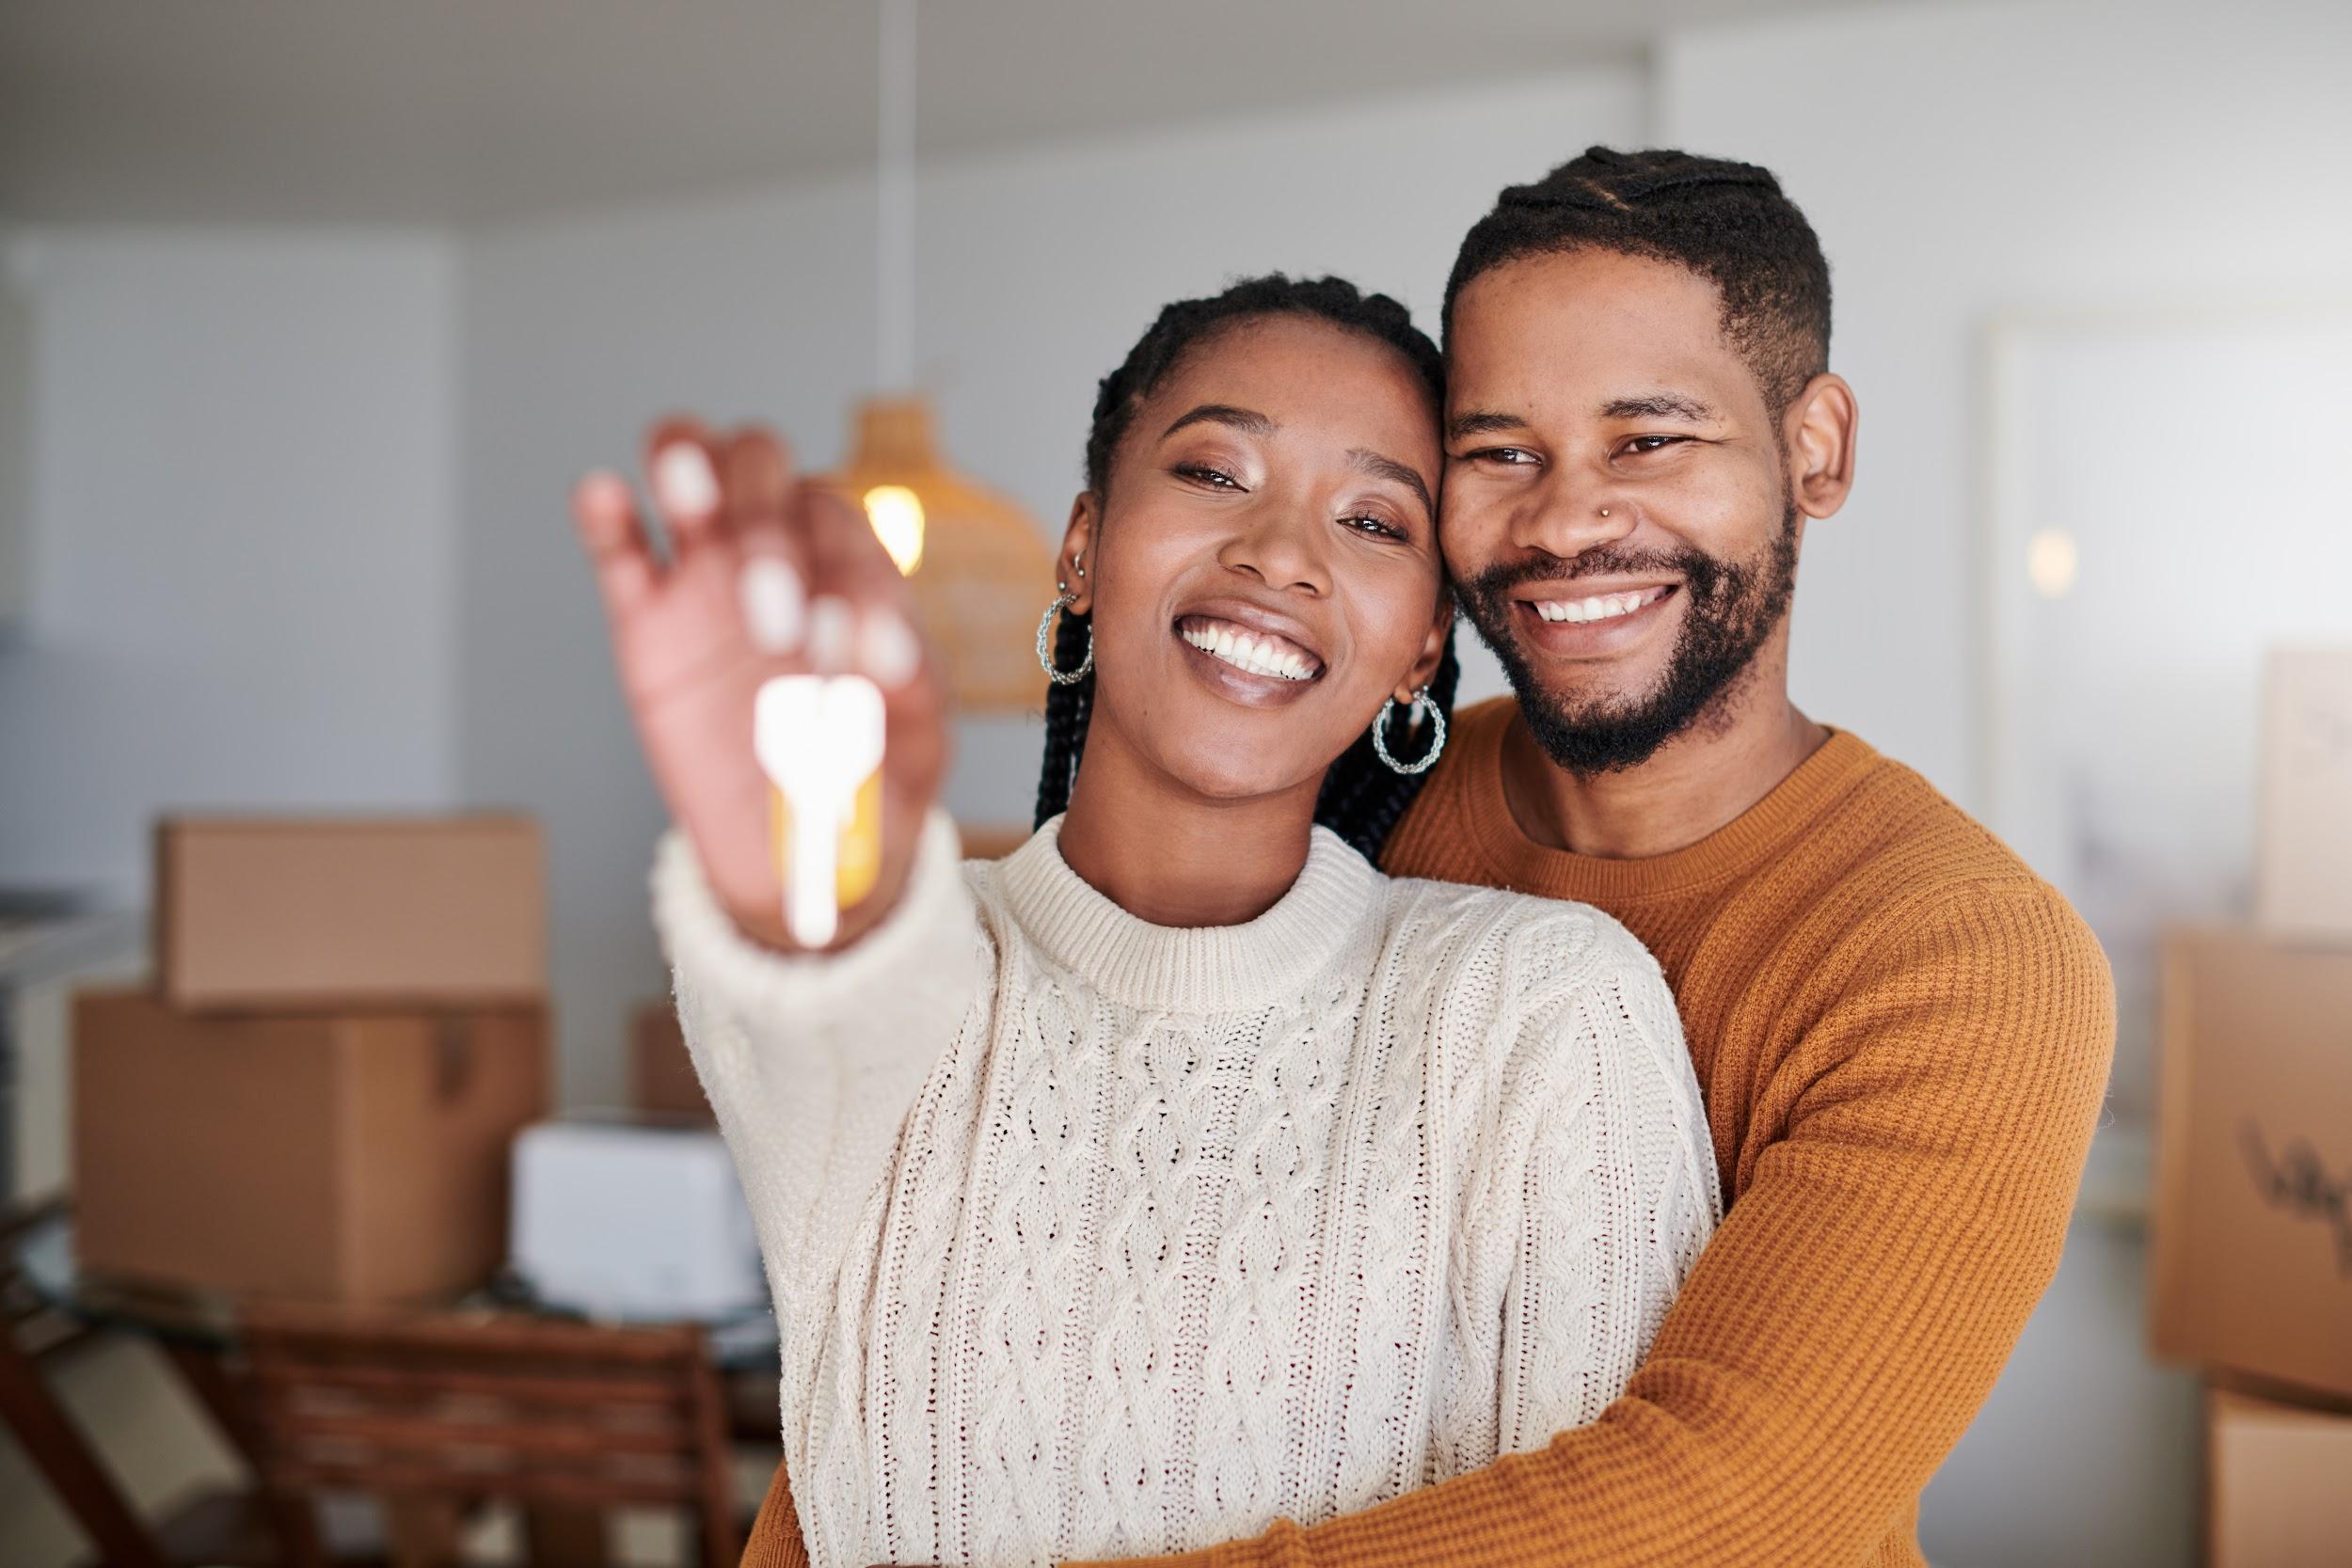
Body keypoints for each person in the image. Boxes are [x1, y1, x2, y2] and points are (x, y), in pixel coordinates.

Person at [739, 147, 2120, 1568]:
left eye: (1648, 441)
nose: (1568, 521)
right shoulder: (1356, 795)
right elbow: (928, 1314)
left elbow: (1734, 1498)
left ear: (1815, 448)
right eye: (1501, 451)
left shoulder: (1960, 954)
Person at [570, 275, 1721, 1568]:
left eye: (1373, 521)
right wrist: (796, 849)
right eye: (1218, 472)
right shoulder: (923, 972)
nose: (1282, 551)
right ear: (1083, 543)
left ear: (1420, 651)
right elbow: (819, 979)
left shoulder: (1540, 1013)